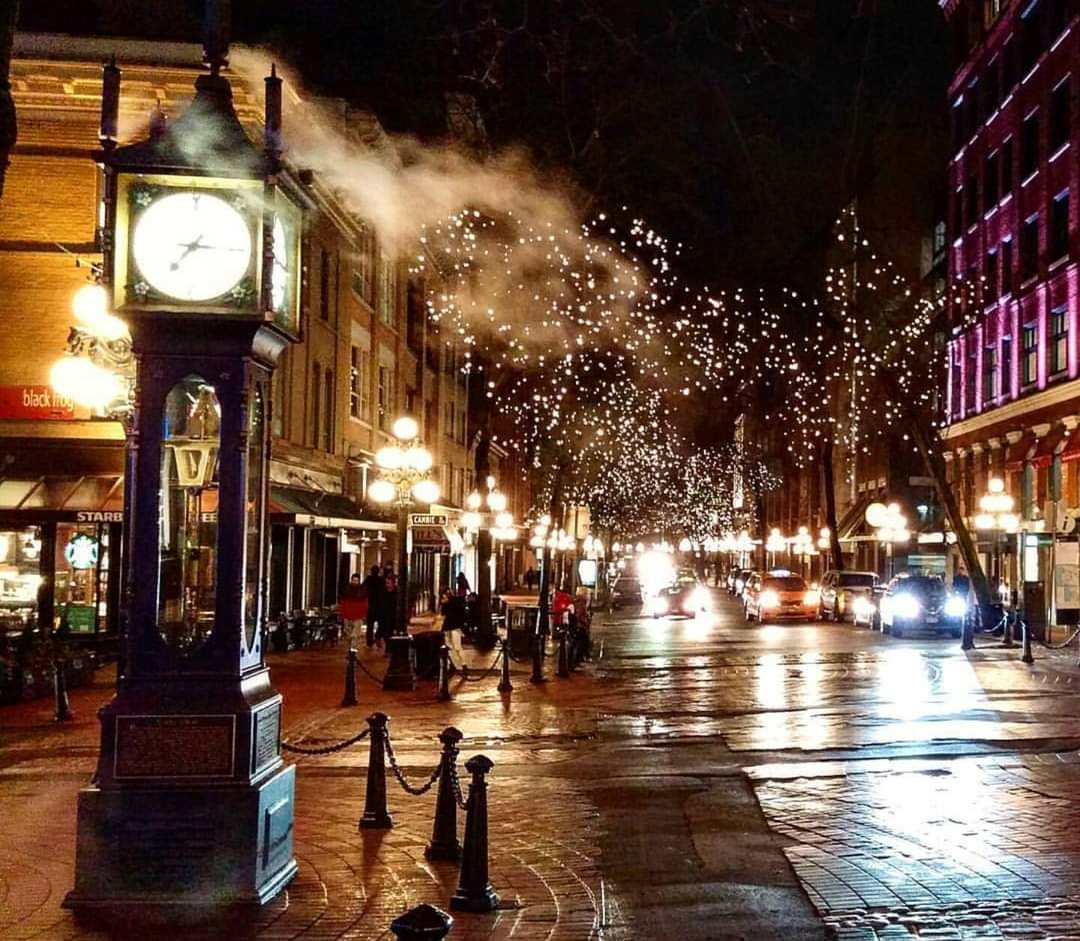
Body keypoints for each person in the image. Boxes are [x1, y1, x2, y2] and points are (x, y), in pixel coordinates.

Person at [439, 588, 467, 671]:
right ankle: (454, 663)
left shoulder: (455, 603)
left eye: (444, 597)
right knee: (450, 646)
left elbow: (461, 614)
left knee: (457, 646)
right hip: (449, 627)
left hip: (454, 627)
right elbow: (443, 614)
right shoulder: (449, 604)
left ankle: (462, 664)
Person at [338, 573, 368, 649]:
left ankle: (353, 651)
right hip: (347, 616)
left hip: (358, 616)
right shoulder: (346, 591)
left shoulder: (362, 591)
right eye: (353, 580)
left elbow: (365, 604)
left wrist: (363, 614)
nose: (355, 582)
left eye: (356, 580)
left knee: (354, 635)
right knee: (348, 635)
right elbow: (343, 603)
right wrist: (343, 614)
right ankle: (350, 650)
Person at [361, 564, 383, 647]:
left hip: (370, 606)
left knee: (370, 625)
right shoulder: (380, 580)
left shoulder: (368, 580)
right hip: (378, 606)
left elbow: (363, 589)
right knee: (380, 624)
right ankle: (377, 636)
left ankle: (369, 641)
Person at [381, 563, 399, 646]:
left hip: (393, 616)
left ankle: (389, 649)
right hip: (385, 616)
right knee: (386, 634)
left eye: (388, 583)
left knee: (391, 633)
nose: (387, 585)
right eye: (386, 583)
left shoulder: (396, 593)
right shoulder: (383, 592)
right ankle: (388, 648)